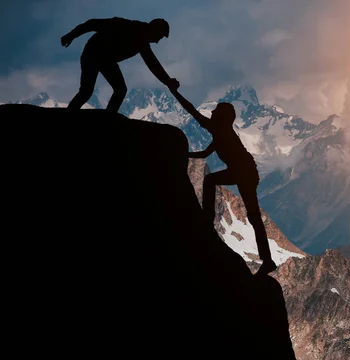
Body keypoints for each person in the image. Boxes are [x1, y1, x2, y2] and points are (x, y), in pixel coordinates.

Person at [170, 89, 277, 276]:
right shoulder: (222, 132)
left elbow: (192, 111)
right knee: (252, 215)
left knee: (215, 184)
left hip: (243, 172)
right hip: (245, 171)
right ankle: (267, 260)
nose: (211, 113)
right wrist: (185, 154)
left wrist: (174, 92)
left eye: (215, 112)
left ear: (222, 117)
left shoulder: (219, 130)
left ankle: (207, 219)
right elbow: (204, 154)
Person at [61, 17, 180, 112]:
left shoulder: (142, 42)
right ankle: (70, 117)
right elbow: (92, 23)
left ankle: (108, 120)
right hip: (92, 55)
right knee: (87, 91)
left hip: (106, 60)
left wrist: (168, 81)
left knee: (120, 90)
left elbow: (153, 65)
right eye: (159, 36)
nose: (158, 41)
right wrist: (71, 35)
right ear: (154, 30)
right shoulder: (127, 26)